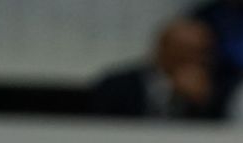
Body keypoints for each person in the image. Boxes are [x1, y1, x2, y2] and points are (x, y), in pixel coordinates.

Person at [92, 17, 224, 121]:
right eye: (186, 50)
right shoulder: (116, 86)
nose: (198, 58)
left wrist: (200, 104)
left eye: (203, 51)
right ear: (163, 48)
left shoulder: (214, 92)